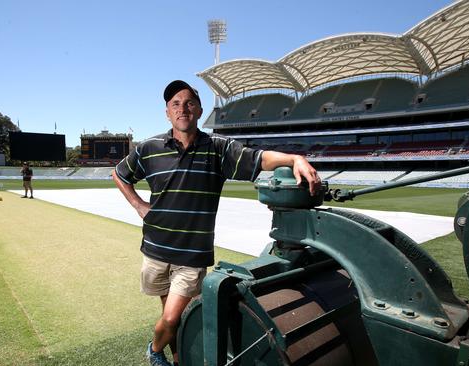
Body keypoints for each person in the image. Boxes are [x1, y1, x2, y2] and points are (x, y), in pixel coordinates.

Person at [112, 80, 320, 366]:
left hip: (192, 255)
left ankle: (154, 350)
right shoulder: (149, 148)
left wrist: (294, 158)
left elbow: (258, 159)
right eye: (175, 104)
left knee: (172, 318)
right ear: (167, 112)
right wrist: (138, 205)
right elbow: (120, 174)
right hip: (155, 248)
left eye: (188, 103)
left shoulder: (218, 149)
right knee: (171, 316)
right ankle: (178, 359)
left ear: (198, 110)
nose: (182, 109)